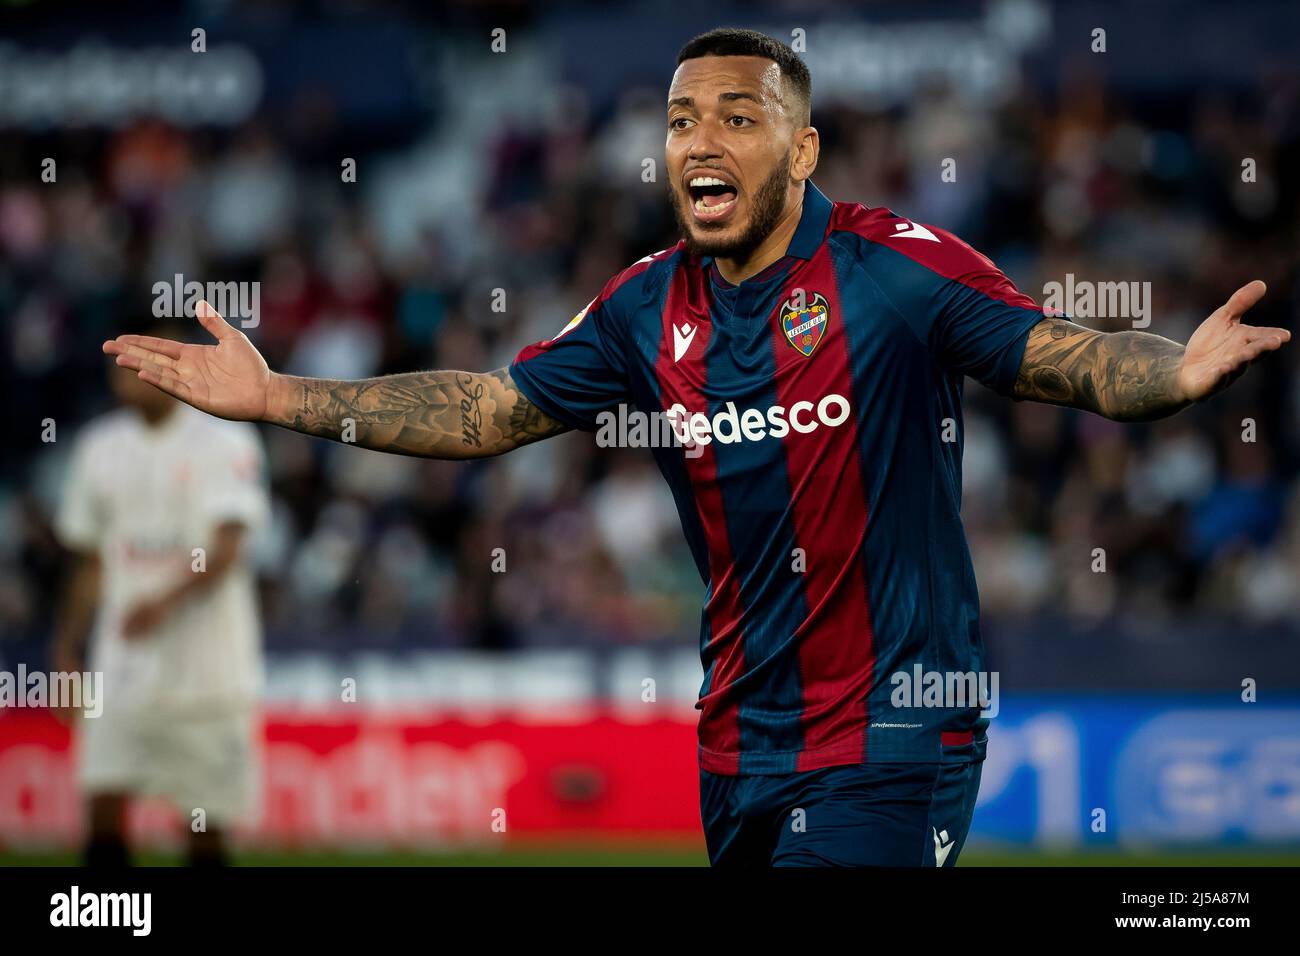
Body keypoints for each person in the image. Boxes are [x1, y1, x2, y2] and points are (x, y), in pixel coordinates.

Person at [102, 29, 1289, 866]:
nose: (699, 139)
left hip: (893, 726)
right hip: (736, 740)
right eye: (680, 119)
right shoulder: (639, 305)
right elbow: (483, 411)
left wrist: (1172, 372)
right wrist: (281, 398)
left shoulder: (894, 270)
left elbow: (1061, 356)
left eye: (736, 115)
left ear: (805, 150)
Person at [55, 327, 270, 866]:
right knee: (103, 807)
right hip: (121, 667)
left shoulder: (226, 440)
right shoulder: (98, 447)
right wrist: (66, 650)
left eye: (143, 360)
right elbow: (90, 561)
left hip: (207, 672)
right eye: (120, 362)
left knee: (204, 827)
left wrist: (163, 602)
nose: (127, 374)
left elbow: (227, 547)